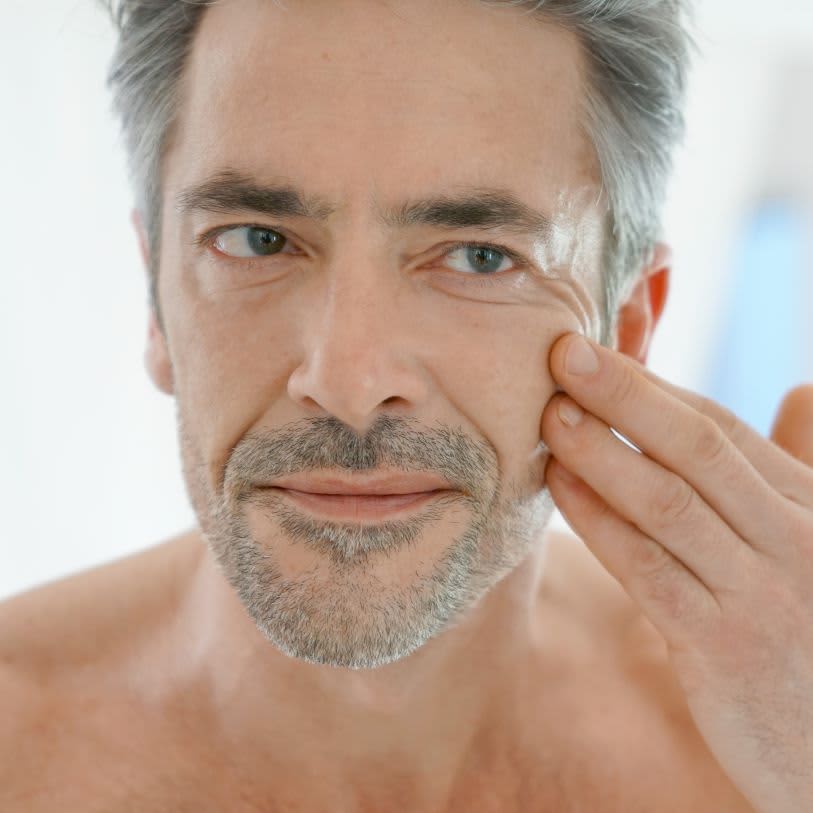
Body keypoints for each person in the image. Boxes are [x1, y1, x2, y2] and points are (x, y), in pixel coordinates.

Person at [7, 0, 812, 809]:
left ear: (628, 324)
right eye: (256, 239)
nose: (348, 383)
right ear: (156, 306)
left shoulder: (765, 739)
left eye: (479, 257)